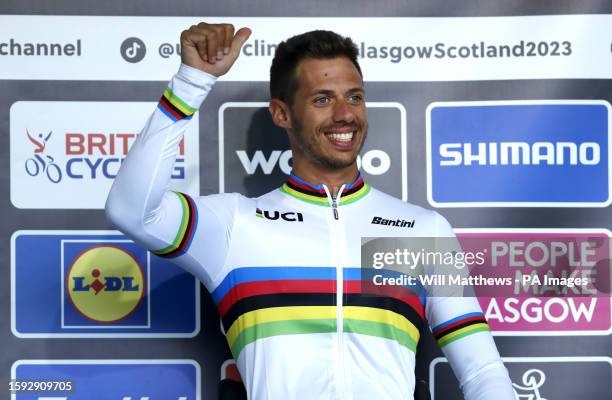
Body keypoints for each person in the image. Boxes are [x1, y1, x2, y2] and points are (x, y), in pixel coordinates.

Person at [105, 22, 515, 400]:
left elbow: (481, 369)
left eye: (354, 96)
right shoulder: (236, 226)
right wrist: (191, 82)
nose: (345, 115)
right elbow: (131, 210)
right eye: (323, 99)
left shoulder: (422, 229)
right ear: (282, 113)